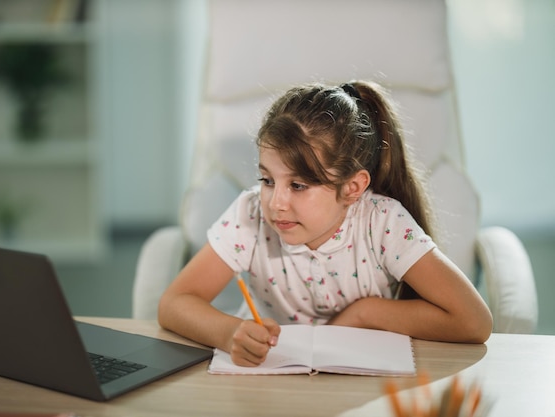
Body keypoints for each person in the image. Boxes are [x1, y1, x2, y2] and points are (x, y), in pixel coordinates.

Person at [158, 80, 493, 367]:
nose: (276, 203)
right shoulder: (250, 214)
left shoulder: (382, 221)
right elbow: (174, 303)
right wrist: (229, 332)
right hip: (271, 379)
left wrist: (366, 313)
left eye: (299, 185)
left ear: (352, 188)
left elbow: (474, 322)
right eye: (267, 180)